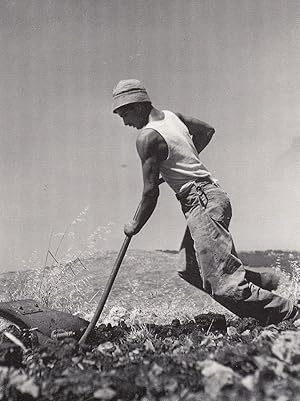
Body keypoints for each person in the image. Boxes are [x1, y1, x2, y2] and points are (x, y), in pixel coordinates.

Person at [112, 78, 299, 326]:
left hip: (201, 201)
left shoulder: (147, 138)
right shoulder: (171, 117)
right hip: (210, 196)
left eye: (125, 114)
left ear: (137, 106)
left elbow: (149, 194)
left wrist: (134, 224)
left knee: (223, 285)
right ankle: (264, 282)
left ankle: (290, 314)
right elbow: (207, 131)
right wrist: (180, 162)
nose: (125, 122)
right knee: (188, 267)